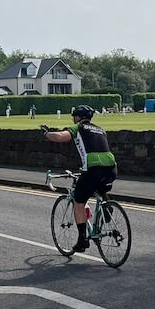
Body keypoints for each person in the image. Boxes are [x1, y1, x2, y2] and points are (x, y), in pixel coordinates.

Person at [41, 105, 117, 253]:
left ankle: (82, 240)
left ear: (77, 117)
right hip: (112, 168)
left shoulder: (79, 127)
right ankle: (107, 209)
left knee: (79, 201)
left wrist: (46, 134)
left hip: (93, 169)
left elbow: (62, 137)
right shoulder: (100, 129)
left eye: (73, 116)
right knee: (99, 188)